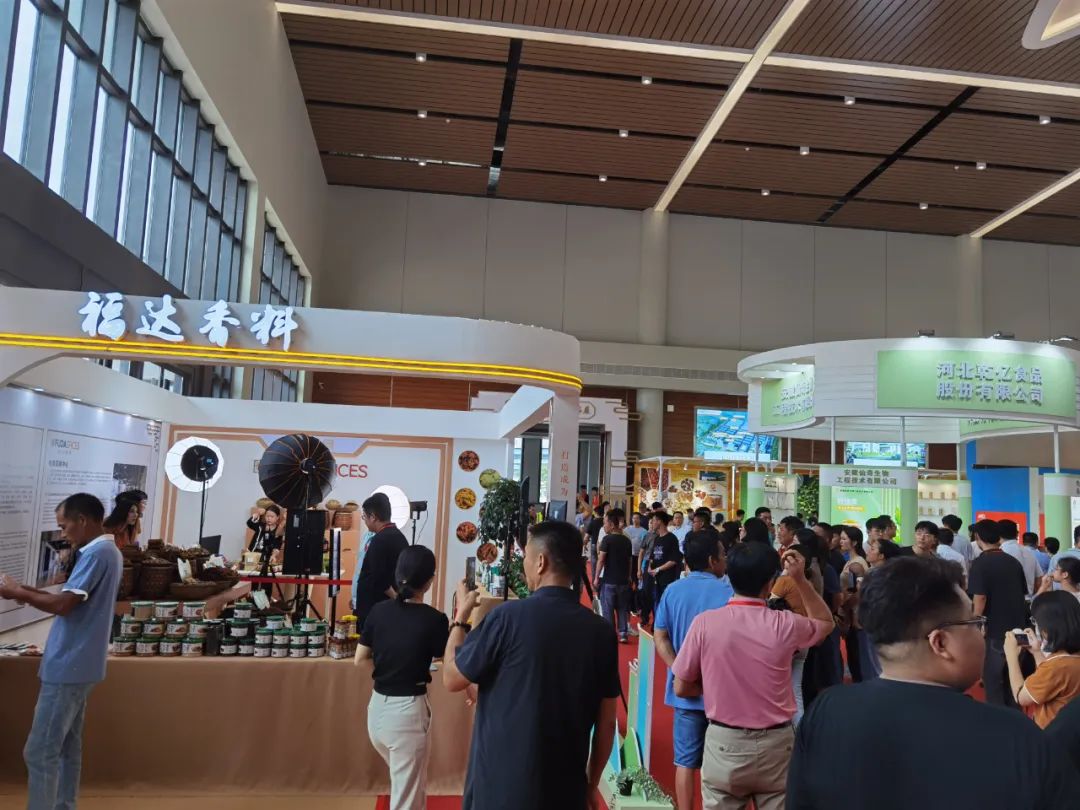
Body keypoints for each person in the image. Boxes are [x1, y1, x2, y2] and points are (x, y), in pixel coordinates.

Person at [787, 555, 1080, 809]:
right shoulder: (1014, 734)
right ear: (940, 642)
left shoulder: (827, 711)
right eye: (974, 623)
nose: (980, 633)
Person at [443, 521, 619, 810]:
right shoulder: (601, 632)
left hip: (500, 788)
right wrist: (590, 786)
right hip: (565, 790)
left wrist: (460, 618)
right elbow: (607, 723)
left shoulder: (506, 618)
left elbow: (451, 678)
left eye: (525, 556)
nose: (523, 564)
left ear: (540, 562)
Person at [672, 542, 833, 810]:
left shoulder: (705, 623)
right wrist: (800, 580)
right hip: (777, 744)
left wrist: (713, 686)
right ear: (770, 583)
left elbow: (681, 686)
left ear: (728, 575)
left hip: (724, 742)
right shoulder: (785, 623)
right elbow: (825, 623)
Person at [0, 494, 123, 810]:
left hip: (70, 663)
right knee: (67, 746)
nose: (63, 533)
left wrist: (18, 592)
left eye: (64, 525)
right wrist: (22, 591)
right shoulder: (106, 551)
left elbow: (64, 604)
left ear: (82, 520)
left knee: (40, 751)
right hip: (80, 663)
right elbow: (69, 597)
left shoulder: (97, 554)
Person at [355, 545, 449, 810]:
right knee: (406, 797)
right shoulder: (435, 620)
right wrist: (461, 619)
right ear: (429, 582)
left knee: (409, 785)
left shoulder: (378, 611)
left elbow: (360, 659)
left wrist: (389, 669)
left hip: (377, 710)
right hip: (407, 714)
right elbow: (449, 659)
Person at [654, 532, 734, 810]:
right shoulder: (730, 593)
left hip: (685, 693)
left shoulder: (673, 590)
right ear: (712, 560)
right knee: (724, 762)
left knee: (685, 762)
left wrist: (679, 668)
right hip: (724, 694)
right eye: (723, 554)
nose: (725, 559)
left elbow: (660, 636)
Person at [969, 518, 1028, 707]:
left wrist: (976, 625)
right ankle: (1015, 717)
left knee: (993, 680)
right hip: (1019, 628)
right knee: (1014, 677)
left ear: (978, 537)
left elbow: (980, 598)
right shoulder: (1013, 562)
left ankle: (996, 718)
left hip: (995, 631)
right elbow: (1023, 593)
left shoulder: (981, 563)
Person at [1004, 590, 1080, 729]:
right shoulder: (1067, 659)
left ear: (1047, 629)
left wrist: (1011, 656)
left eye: (1036, 621)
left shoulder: (1057, 666)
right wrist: (1037, 652)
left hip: (1052, 733)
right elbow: (1050, 682)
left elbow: (1021, 696)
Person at [354, 492, 410, 631]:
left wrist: (397, 599)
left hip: (375, 607)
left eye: (364, 517)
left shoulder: (379, 540)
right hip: (387, 607)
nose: (365, 521)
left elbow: (380, 579)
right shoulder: (400, 537)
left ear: (373, 517)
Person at [594, 508, 633, 643]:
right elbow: (629, 561)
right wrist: (628, 576)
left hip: (609, 580)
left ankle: (610, 633)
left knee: (608, 608)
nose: (604, 526)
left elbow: (601, 560)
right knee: (622, 607)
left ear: (611, 524)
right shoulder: (626, 540)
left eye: (605, 523)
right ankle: (623, 633)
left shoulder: (607, 539)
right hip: (623, 581)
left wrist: (596, 577)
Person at [647, 511, 683, 611]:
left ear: (660, 521)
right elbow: (652, 556)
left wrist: (658, 569)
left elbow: (674, 560)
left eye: (654, 520)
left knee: (666, 606)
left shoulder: (672, 538)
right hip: (656, 579)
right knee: (656, 604)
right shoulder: (657, 538)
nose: (652, 523)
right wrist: (650, 567)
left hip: (667, 579)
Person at [999, 519, 1041, 595]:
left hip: (1007, 599)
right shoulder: (1029, 552)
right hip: (1028, 599)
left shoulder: (1000, 552)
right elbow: (1038, 580)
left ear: (997, 534)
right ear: (1016, 534)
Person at [624, 511, 647, 578]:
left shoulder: (644, 531)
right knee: (629, 573)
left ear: (640, 519)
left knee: (637, 573)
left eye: (637, 518)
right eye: (634, 518)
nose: (635, 520)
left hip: (639, 556)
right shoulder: (627, 529)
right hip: (629, 554)